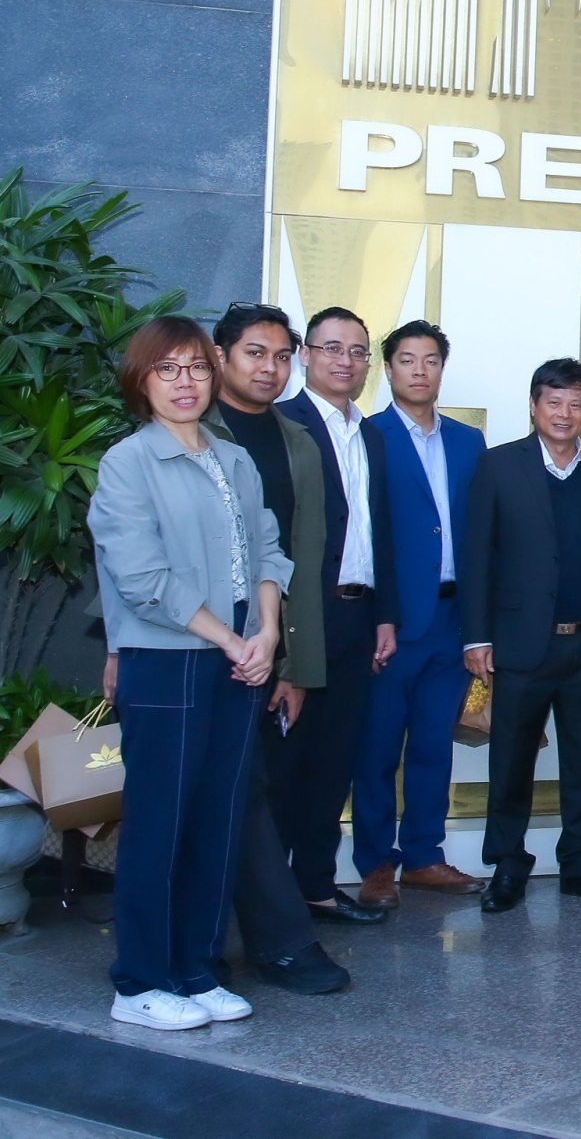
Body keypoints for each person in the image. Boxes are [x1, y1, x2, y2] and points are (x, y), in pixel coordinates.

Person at [90, 316, 291, 1030]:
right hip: (168, 662)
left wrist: (265, 630)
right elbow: (143, 577)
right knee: (159, 824)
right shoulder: (127, 461)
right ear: (141, 380)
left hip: (239, 661)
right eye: (167, 369)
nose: (185, 382)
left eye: (197, 368)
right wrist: (227, 639)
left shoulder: (232, 459)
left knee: (218, 818)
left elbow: (268, 550)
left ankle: (196, 968)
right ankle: (140, 980)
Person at [194, 303, 359, 987]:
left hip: (268, 642)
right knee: (226, 792)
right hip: (194, 643)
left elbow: (306, 556)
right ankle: (240, 941)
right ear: (221, 355)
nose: (269, 367)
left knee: (247, 791)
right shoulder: (190, 429)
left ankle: (249, 941)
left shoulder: (297, 439)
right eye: (255, 353)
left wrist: (296, 664)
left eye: (280, 355)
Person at [460, 359, 581, 912]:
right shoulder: (497, 466)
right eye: (553, 402)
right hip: (519, 642)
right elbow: (476, 557)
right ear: (534, 406)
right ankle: (508, 866)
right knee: (510, 759)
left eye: (576, 403)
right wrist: (476, 637)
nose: (565, 414)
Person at [354, 321, 486, 909]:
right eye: (407, 360)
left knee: (434, 743)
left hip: (454, 618)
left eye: (430, 361)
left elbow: (484, 535)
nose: (419, 371)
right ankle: (377, 862)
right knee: (379, 747)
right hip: (392, 620)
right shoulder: (367, 436)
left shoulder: (468, 442)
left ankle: (426, 857)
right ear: (388, 369)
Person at [274, 307, 400, 925]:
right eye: (331, 349)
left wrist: (385, 615)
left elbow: (379, 532)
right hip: (301, 617)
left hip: (358, 615)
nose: (344, 361)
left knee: (335, 760)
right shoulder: (281, 422)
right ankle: (266, 897)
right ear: (304, 355)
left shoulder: (370, 433)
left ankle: (317, 886)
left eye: (356, 352)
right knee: (285, 760)